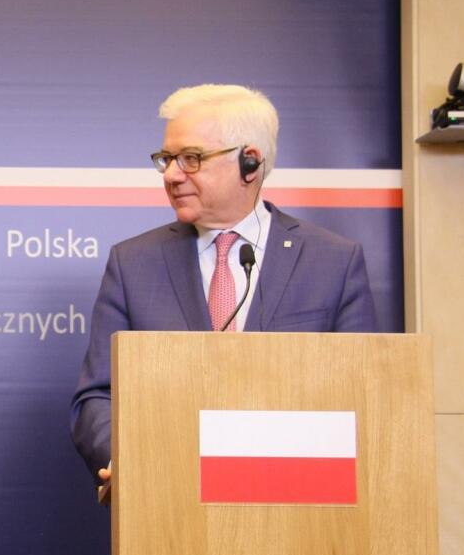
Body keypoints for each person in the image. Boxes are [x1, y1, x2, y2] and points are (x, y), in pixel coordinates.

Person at [70, 84, 378, 485]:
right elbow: (98, 397)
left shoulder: (333, 262)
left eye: (191, 158)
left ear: (250, 162)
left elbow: (364, 395)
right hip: (168, 497)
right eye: (167, 159)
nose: (172, 175)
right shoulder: (133, 264)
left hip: (297, 496)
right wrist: (125, 459)